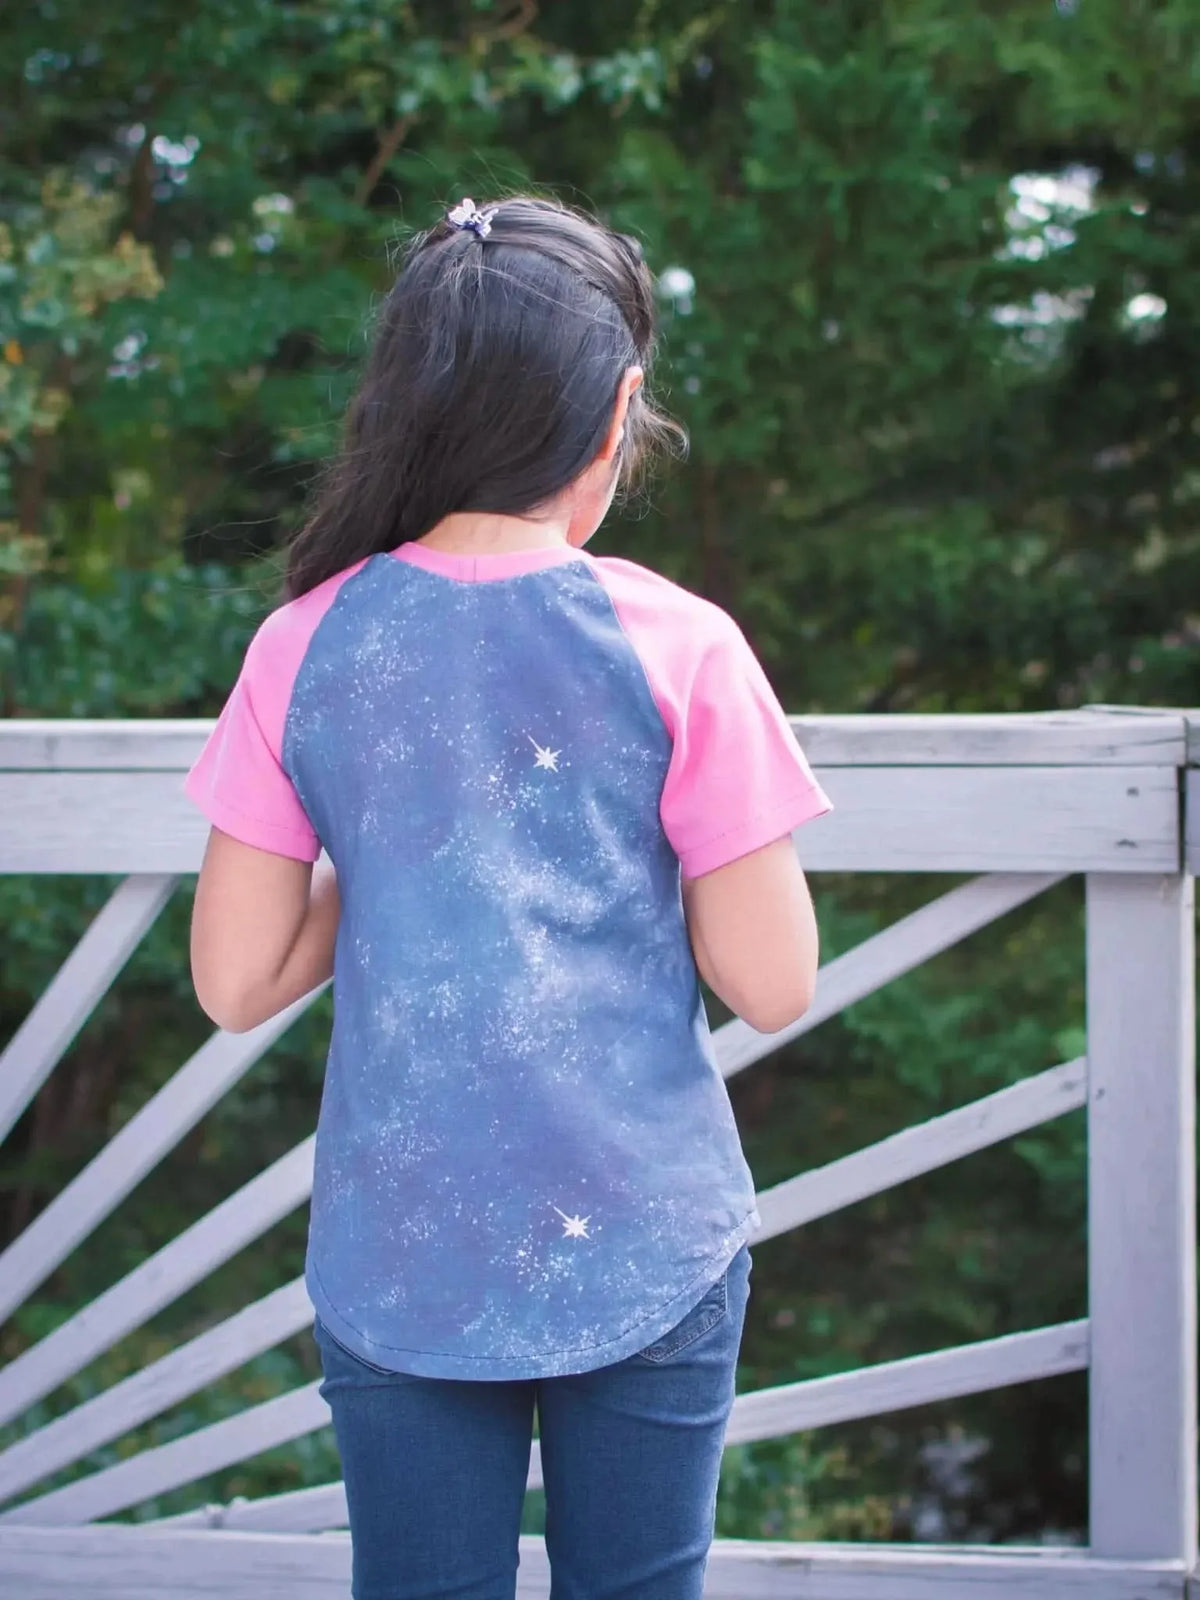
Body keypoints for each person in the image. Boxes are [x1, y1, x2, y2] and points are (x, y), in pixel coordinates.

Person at [185, 194, 831, 1600]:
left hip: (400, 1251)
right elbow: (774, 982)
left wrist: (398, 853)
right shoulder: (682, 645)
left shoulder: (301, 642)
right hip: (646, 1237)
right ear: (618, 411)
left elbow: (235, 983)